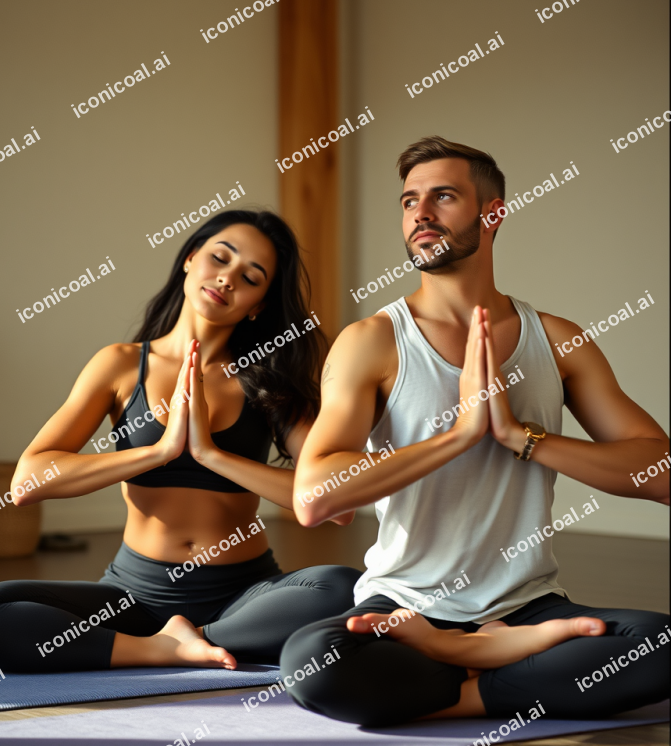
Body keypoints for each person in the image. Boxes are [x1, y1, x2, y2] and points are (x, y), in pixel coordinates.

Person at [280, 136, 670, 726]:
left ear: (493, 213)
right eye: (409, 201)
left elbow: (660, 473)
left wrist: (523, 436)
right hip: (406, 607)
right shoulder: (373, 342)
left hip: (529, 606)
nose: (421, 214)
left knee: (659, 643)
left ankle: (463, 676)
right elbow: (313, 498)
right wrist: (459, 436)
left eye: (443, 197)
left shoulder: (558, 340)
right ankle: (486, 664)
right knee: (314, 663)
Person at [0, 209, 360, 673]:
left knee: (344, 588)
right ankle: (161, 649)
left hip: (243, 600)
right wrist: (160, 451)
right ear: (189, 259)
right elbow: (28, 481)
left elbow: (337, 505)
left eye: (251, 277)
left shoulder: (268, 379)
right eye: (219, 257)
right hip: (133, 598)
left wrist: (210, 454)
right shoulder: (120, 366)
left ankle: (198, 640)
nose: (226, 279)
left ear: (259, 303)